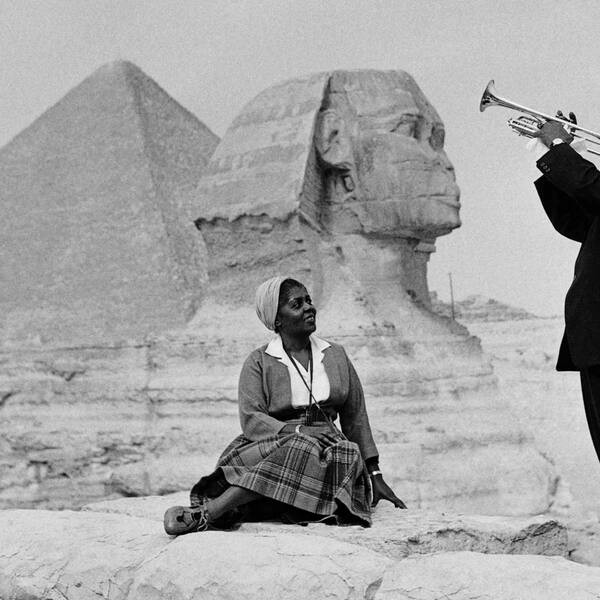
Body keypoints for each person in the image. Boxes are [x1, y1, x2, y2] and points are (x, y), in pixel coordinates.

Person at [164, 276, 405, 535]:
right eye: (297, 304)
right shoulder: (258, 361)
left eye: (308, 300)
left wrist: (376, 476)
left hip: (329, 453)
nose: (309, 307)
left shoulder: (336, 355)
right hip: (273, 442)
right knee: (300, 446)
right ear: (277, 320)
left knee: (345, 452)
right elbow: (251, 418)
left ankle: (212, 512)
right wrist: (299, 432)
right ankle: (221, 509)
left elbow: (356, 417)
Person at [533, 116, 600, 465]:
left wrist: (561, 148)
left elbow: (593, 189)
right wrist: (559, 157)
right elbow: (576, 224)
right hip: (593, 338)